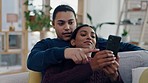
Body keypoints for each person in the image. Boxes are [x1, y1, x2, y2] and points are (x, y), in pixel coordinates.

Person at [27, 4, 144, 77]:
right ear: (53, 24)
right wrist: (65, 52)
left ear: (76, 22)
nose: (67, 27)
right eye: (61, 23)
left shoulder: (90, 42)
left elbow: (134, 50)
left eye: (71, 22)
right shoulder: (48, 44)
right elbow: (32, 62)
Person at [42, 24, 124, 83]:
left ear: (95, 45)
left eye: (93, 36)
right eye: (83, 34)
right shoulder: (61, 60)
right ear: (73, 42)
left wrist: (115, 77)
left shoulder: (103, 64)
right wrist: (91, 66)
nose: (89, 37)